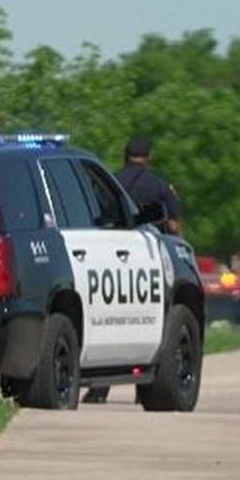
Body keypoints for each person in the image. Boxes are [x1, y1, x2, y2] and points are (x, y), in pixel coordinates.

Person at [82, 136, 183, 404]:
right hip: (148, 262)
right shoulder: (160, 187)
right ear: (148, 158)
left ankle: (99, 389)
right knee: (154, 324)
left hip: (107, 258)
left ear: (125, 156)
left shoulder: (108, 182)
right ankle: (145, 390)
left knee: (110, 322)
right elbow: (173, 227)